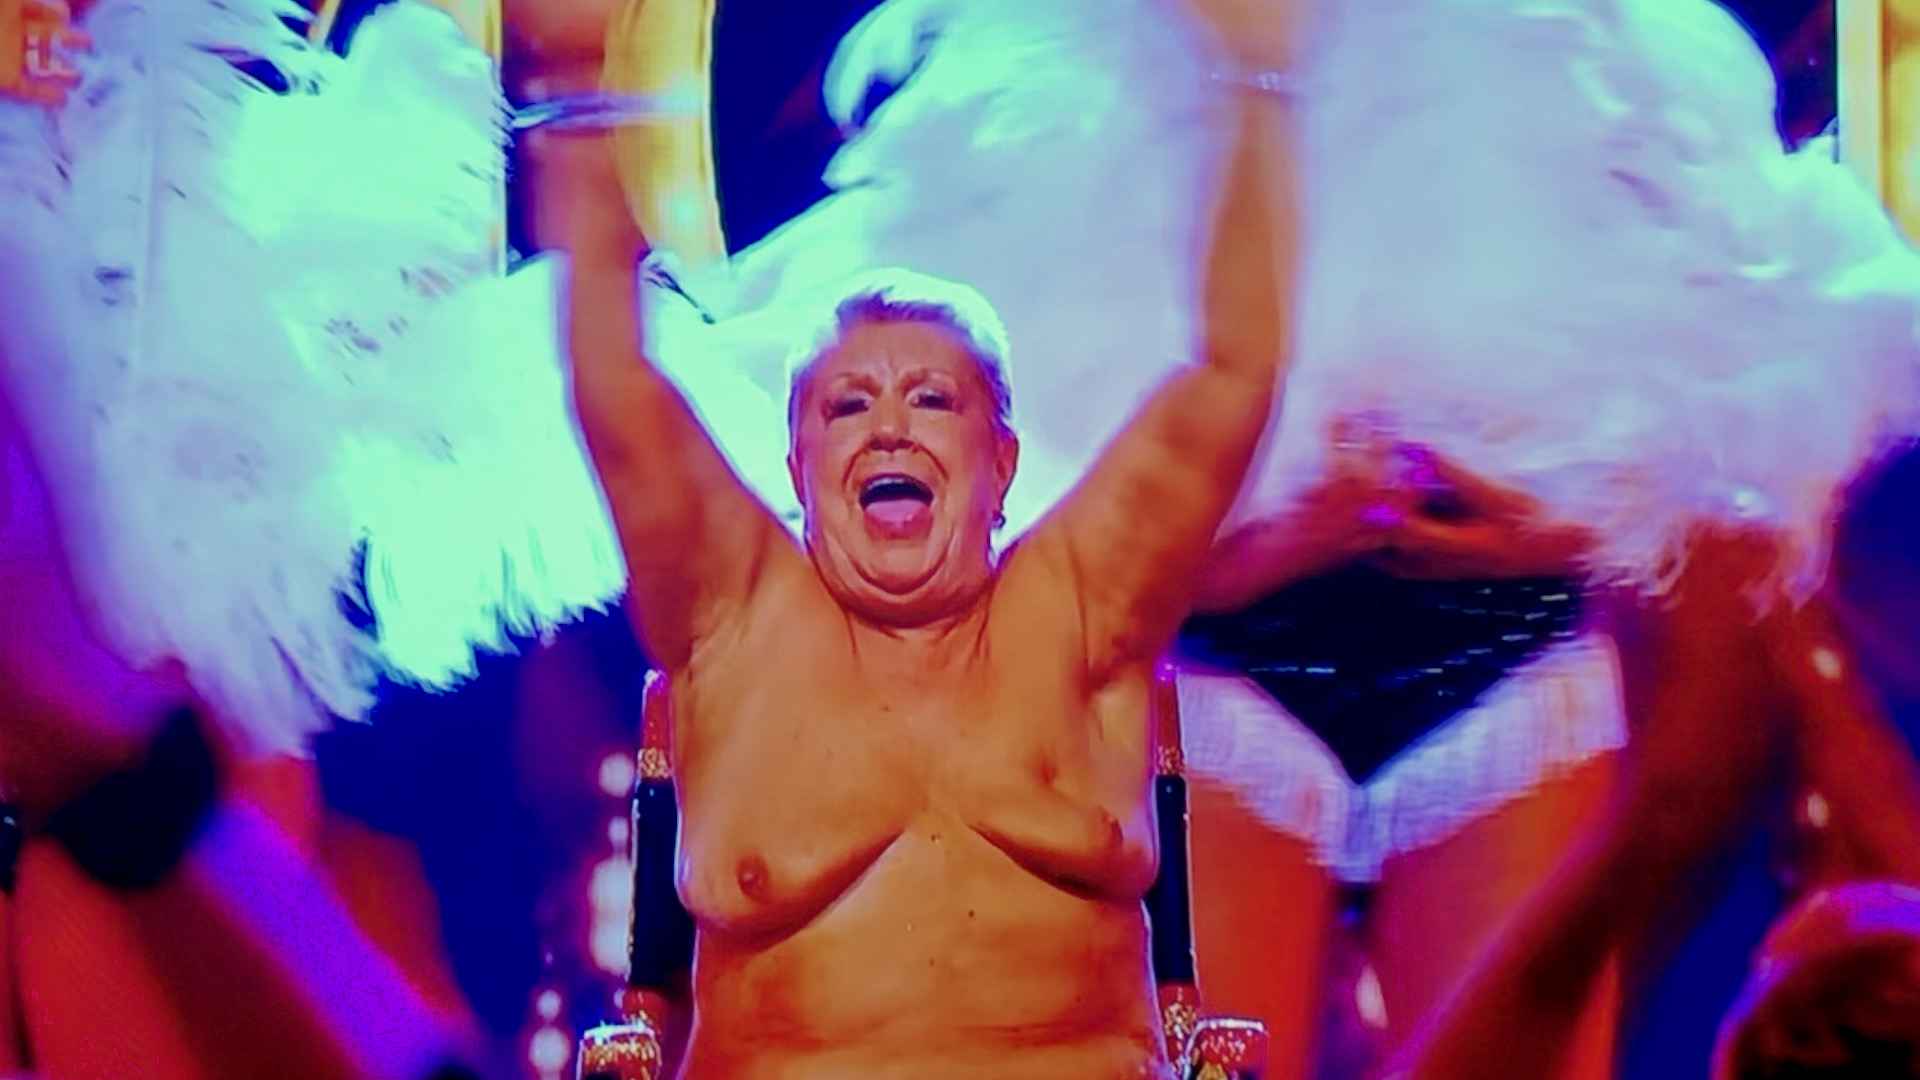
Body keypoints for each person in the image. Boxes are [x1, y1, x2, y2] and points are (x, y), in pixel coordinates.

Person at [535, 0, 1302, 1070]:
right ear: (798, 471)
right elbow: (616, 387)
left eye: (932, 400)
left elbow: (1231, 376)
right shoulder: (735, 620)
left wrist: (1257, 81)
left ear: (1003, 464)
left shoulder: (1083, 611)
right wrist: (579, 89)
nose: (888, 426)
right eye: (847, 406)